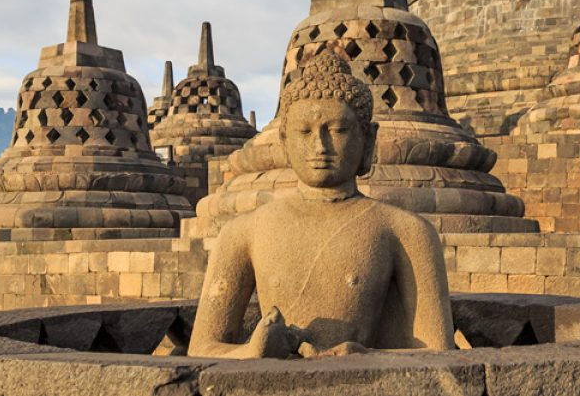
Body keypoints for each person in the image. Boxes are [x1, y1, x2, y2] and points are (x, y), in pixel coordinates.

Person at [188, 53, 455, 359]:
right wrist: (253, 351)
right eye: (305, 132)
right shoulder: (243, 232)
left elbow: (439, 354)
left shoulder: (406, 231)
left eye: (338, 131)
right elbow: (202, 349)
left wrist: (365, 356)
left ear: (367, 140)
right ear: (285, 142)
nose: (320, 147)